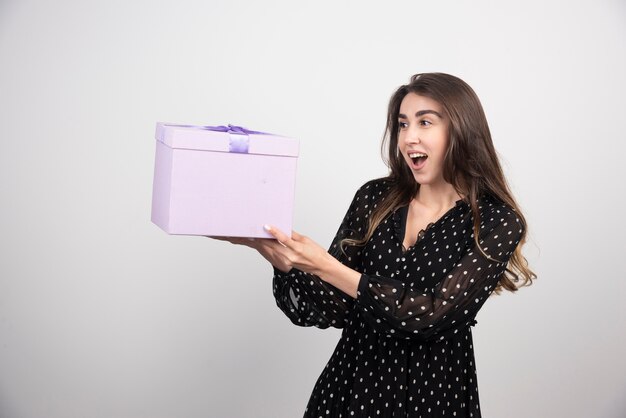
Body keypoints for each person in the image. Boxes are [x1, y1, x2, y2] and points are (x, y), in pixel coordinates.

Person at [217, 72, 535, 417]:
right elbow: (334, 308)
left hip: (432, 396)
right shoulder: (375, 198)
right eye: (402, 125)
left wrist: (324, 265)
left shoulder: (496, 221)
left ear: (461, 129)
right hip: (351, 388)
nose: (409, 137)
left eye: (424, 122)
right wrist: (281, 258)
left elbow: (431, 315)